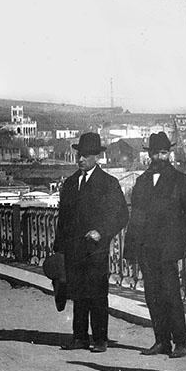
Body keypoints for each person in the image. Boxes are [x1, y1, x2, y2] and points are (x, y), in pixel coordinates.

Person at [53, 132, 129, 353]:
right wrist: (59, 249)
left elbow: (122, 215)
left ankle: (100, 339)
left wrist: (102, 232)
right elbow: (63, 219)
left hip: (95, 249)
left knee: (96, 294)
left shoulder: (108, 183)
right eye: (79, 155)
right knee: (77, 293)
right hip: (73, 249)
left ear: (97, 157)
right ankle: (79, 337)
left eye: (86, 155)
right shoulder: (69, 184)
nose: (80, 159)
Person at [122, 132, 186, 358]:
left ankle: (180, 342)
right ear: (149, 154)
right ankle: (161, 341)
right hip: (146, 247)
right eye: (156, 152)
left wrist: (179, 240)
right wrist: (131, 249)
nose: (160, 156)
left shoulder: (180, 180)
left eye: (164, 152)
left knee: (171, 294)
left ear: (169, 153)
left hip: (168, 249)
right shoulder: (141, 181)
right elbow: (136, 217)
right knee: (152, 294)